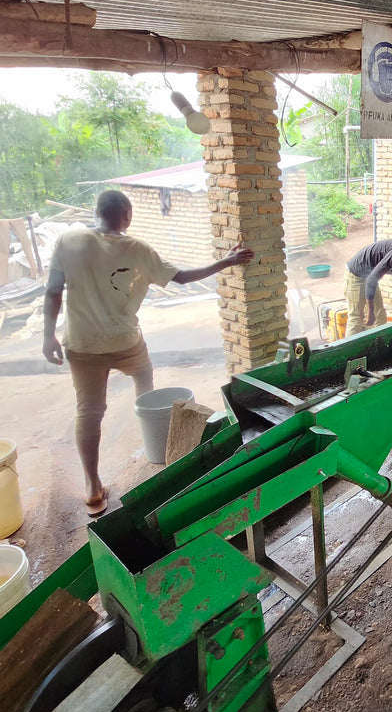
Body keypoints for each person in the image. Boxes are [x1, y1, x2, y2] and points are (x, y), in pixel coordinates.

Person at [43, 190, 253, 516]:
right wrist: (227, 261)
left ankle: (93, 489)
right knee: (144, 381)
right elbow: (181, 278)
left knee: (89, 411)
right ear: (127, 215)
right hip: (125, 342)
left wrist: (48, 337)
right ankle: (155, 443)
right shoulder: (137, 250)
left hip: (82, 344)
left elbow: (53, 292)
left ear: (96, 213)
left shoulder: (68, 242)